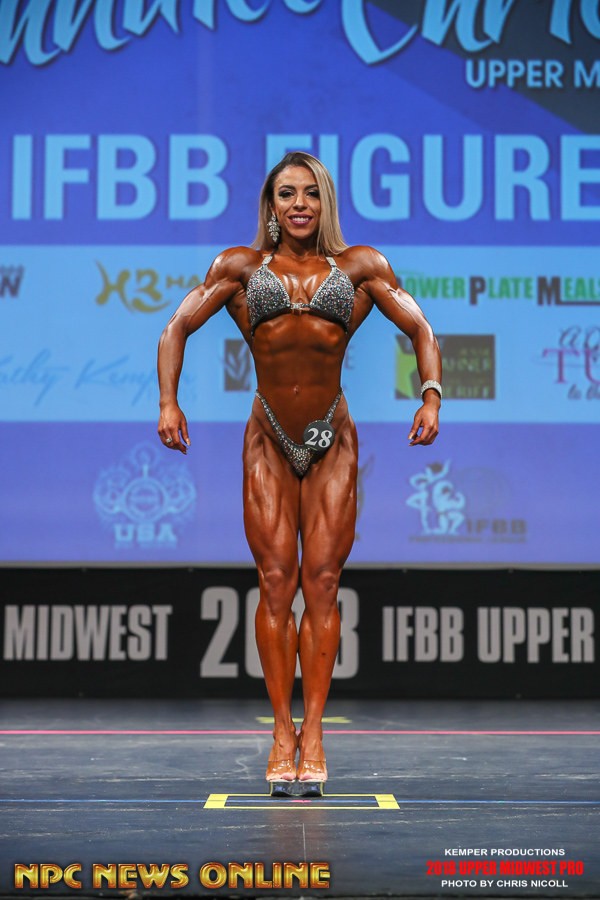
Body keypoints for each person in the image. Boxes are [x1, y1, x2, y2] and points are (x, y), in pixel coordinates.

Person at [157, 151, 442, 792]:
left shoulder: (361, 267)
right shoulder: (240, 268)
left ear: (325, 201)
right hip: (269, 437)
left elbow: (420, 328)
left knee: (323, 583)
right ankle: (280, 731)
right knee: (275, 582)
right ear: (271, 204)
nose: (299, 205)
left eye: (310, 193)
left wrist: (430, 394)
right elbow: (176, 328)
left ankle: (313, 731)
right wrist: (168, 401)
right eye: (286, 194)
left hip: (331, 439)